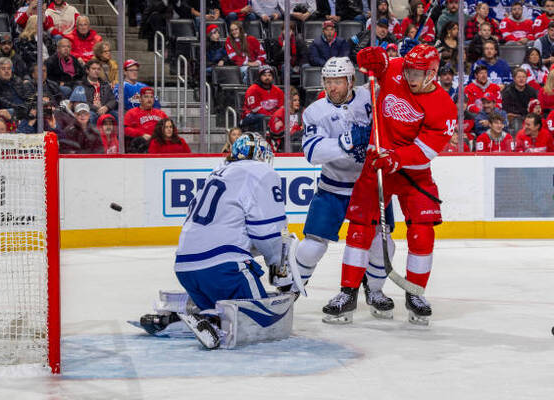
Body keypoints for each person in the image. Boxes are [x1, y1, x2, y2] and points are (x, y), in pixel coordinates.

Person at [138, 133, 297, 349]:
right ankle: (208, 321)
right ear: (261, 155)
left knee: (220, 314)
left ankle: (175, 319)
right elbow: (268, 232)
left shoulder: (217, 173)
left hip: (186, 268)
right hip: (224, 268)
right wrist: (278, 264)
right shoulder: (260, 171)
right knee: (261, 323)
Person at [336, 44, 457, 325]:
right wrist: (373, 60)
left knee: (422, 231)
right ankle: (348, 293)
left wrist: (397, 158)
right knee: (359, 227)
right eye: (409, 70)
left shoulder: (444, 106)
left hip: (414, 172)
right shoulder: (396, 69)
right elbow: (378, 65)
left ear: (432, 74)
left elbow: (426, 150)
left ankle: (415, 294)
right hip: (377, 161)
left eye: (418, 72)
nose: (411, 76)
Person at [299, 57, 397, 323]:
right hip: (332, 187)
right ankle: (290, 290)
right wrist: (346, 141)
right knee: (311, 246)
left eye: (338, 81)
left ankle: (375, 291)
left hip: (369, 186)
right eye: (328, 81)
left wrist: (387, 64)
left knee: (382, 243)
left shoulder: (369, 96)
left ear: (351, 81)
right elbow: (312, 152)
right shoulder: (315, 112)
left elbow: (395, 91)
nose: (332, 87)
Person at [124, 86, 168, 152]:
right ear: (140, 99)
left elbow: (171, 128)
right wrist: (141, 134)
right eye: (146, 97)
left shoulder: (161, 113)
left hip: (160, 143)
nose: (149, 100)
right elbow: (125, 129)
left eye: (151, 97)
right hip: (142, 145)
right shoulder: (131, 113)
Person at [240, 65, 284, 132]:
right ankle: (260, 138)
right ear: (260, 76)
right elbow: (255, 109)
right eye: (264, 75)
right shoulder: (253, 89)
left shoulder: (278, 91)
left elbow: (282, 107)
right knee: (262, 117)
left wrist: (276, 116)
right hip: (251, 116)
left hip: (272, 116)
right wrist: (272, 116)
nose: (267, 77)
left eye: (269, 75)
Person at [79, 59, 118, 125]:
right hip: (91, 110)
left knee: (117, 115)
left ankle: (118, 135)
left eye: (98, 69)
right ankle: (93, 135)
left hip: (105, 109)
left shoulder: (105, 84)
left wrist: (106, 107)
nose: (96, 71)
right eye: (94, 69)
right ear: (87, 70)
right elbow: (82, 102)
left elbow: (113, 99)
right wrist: (97, 109)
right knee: (90, 116)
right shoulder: (81, 85)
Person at [501, 68, 537, 134]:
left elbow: (535, 106)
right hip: (514, 117)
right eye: (519, 77)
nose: (521, 79)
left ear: (526, 78)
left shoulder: (532, 91)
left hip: (529, 116)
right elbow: (507, 109)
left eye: (524, 77)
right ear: (514, 79)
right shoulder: (508, 91)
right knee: (517, 123)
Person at [267, 86, 303, 152]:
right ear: (288, 101)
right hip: (280, 148)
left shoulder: (301, 113)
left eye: (298, 100)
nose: (298, 102)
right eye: (295, 100)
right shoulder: (279, 114)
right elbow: (275, 134)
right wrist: (294, 130)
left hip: (296, 144)